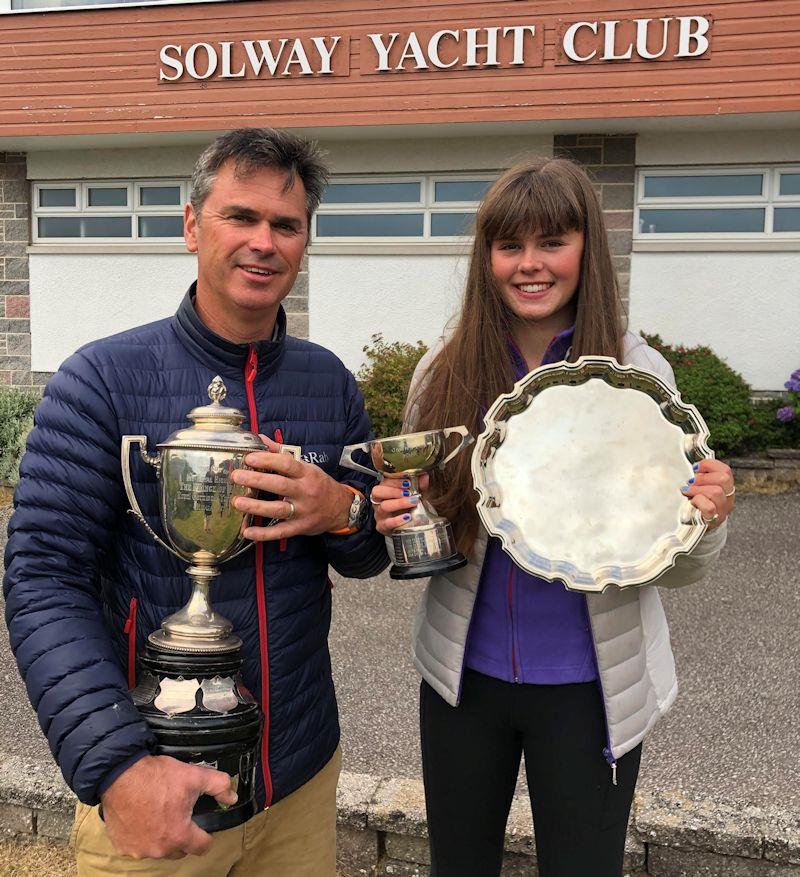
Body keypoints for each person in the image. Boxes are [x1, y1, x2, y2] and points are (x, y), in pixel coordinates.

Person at [3, 128, 388, 875]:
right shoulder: (101, 380)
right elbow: (43, 579)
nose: (264, 242)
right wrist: (117, 765)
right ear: (191, 225)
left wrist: (343, 509)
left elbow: (367, 551)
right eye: (240, 216)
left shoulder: (328, 382)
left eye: (286, 224)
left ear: (305, 240)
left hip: (298, 779)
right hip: (159, 775)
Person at [371, 157, 735, 877]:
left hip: (592, 687)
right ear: (487, 258)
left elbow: (682, 564)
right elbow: (429, 522)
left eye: (552, 242)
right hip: (463, 682)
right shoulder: (443, 372)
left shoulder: (639, 374)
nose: (530, 265)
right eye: (510, 246)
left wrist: (707, 517)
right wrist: (401, 513)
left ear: (586, 249)